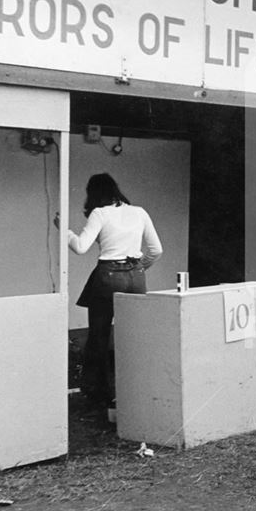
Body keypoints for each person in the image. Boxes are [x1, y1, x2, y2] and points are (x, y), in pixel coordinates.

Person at [63, 173, 163, 410]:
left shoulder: (100, 213)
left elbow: (80, 247)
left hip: (108, 276)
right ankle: (137, 392)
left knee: (99, 336)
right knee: (135, 336)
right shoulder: (139, 212)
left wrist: (64, 231)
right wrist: (139, 268)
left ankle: (100, 393)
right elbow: (156, 250)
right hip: (137, 276)